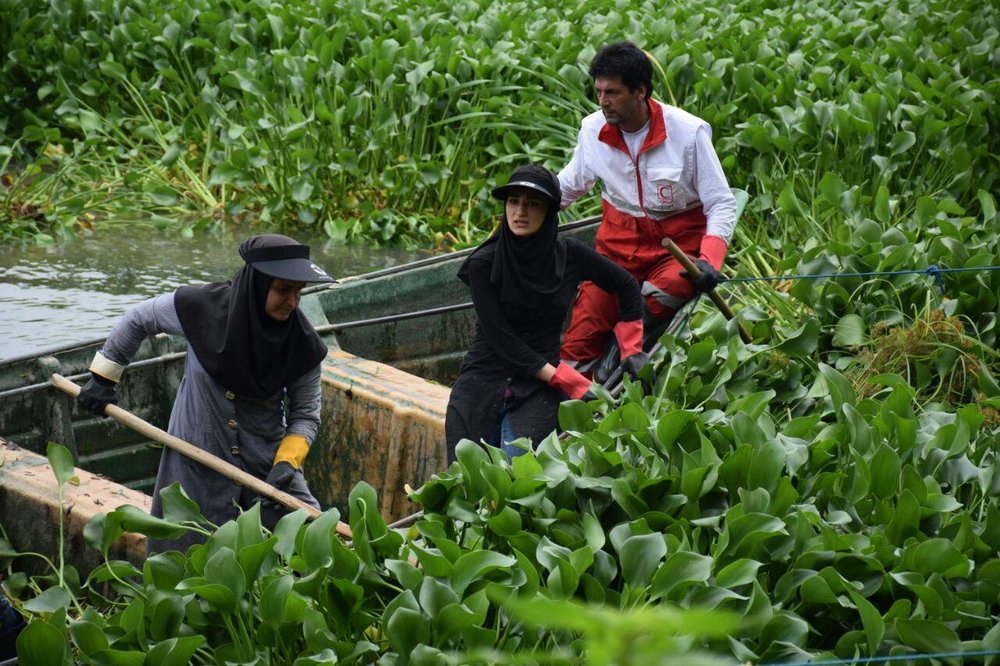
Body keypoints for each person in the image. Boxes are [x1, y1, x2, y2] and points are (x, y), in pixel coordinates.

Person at [76, 234, 336, 553]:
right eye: (283, 290)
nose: (293, 302)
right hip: (195, 462)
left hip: (268, 472)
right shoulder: (200, 309)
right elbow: (138, 319)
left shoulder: (304, 346)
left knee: (314, 548)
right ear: (258, 283)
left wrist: (286, 463)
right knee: (181, 559)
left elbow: (306, 416)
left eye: (298, 292)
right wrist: (104, 377)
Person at [445, 165, 646, 462]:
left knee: (517, 466)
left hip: (538, 386)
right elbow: (504, 342)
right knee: (467, 479)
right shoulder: (483, 263)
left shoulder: (569, 255)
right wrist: (570, 381)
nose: (520, 212)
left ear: (550, 210)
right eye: (513, 201)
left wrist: (632, 348)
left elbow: (626, 285)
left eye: (532, 203)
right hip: (484, 377)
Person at [558, 41, 738, 368]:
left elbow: (721, 203)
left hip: (676, 247)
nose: (603, 102)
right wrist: (528, 202)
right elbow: (570, 184)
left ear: (640, 92)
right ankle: (569, 392)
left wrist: (711, 260)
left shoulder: (687, 132)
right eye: (599, 92)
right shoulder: (592, 130)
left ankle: (619, 354)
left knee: (664, 292)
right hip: (617, 248)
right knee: (581, 335)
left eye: (612, 93)